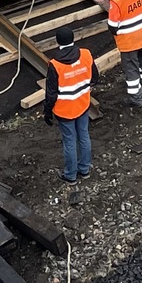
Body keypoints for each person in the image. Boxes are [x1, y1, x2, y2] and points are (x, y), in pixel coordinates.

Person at [42, 26, 93, 183]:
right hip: (83, 104)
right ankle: (84, 169)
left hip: (65, 110)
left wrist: (47, 112)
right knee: (84, 135)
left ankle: (70, 175)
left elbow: (51, 93)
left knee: (69, 141)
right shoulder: (86, 54)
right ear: (73, 39)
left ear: (58, 42)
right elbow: (95, 77)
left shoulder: (55, 64)